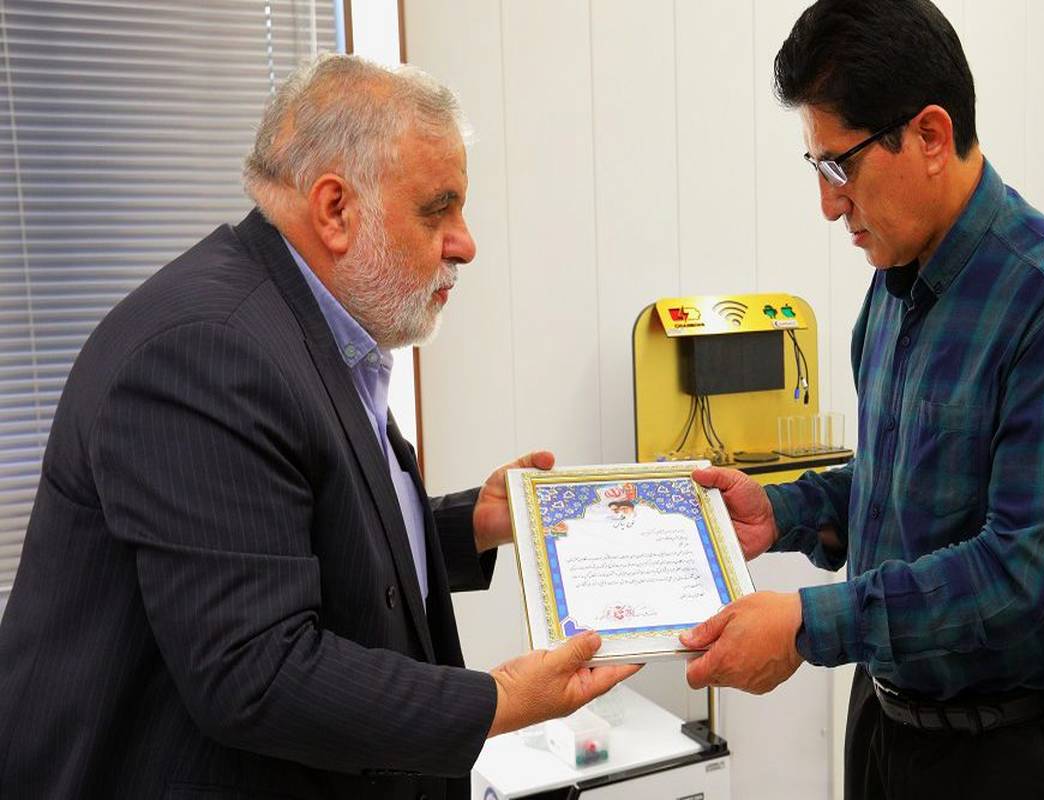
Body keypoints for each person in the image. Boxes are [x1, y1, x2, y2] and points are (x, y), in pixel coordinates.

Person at [0, 54, 636, 799]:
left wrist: (471, 525)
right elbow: (257, 671)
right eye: (438, 209)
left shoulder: (302, 324)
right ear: (335, 210)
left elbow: (292, 537)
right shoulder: (209, 351)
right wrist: (500, 700)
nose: (465, 243)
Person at [680, 2, 1044, 798]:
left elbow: (1021, 572)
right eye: (816, 168)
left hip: (1009, 752)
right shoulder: (893, 284)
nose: (829, 204)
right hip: (885, 722)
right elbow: (903, 482)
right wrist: (780, 512)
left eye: (839, 167)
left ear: (929, 136)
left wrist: (810, 623)